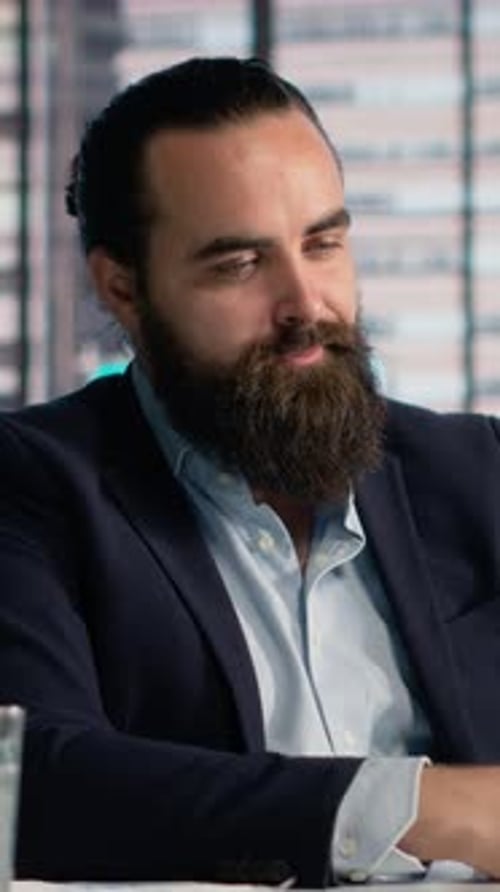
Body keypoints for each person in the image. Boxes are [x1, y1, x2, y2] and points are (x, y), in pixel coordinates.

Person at [1, 56, 500, 887]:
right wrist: (415, 808)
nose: (306, 303)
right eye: (239, 264)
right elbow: (33, 782)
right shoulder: (31, 484)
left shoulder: (478, 469)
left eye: (323, 243)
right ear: (123, 288)